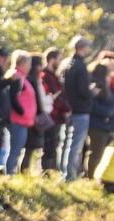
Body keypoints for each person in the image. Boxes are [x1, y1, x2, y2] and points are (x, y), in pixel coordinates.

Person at [60, 36, 96, 180]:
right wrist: (91, 91)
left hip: (69, 108)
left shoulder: (68, 63)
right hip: (80, 109)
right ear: (83, 47)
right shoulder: (80, 66)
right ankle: (69, 175)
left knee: (67, 143)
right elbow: (83, 90)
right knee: (75, 145)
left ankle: (65, 172)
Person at [4, 50, 35, 175]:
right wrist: (22, 112)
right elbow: (13, 98)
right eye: (28, 63)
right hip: (18, 120)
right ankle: (9, 174)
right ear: (21, 63)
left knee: (17, 150)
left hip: (24, 121)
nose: (30, 67)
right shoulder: (16, 77)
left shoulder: (22, 77)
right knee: (14, 151)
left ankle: (11, 173)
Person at [41, 47, 71, 172]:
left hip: (58, 117)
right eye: (59, 59)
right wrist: (67, 109)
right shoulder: (45, 76)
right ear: (52, 60)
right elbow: (54, 97)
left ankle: (50, 171)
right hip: (50, 116)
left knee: (54, 146)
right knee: (48, 146)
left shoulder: (55, 76)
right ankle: (46, 171)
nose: (60, 62)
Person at [21, 54, 48, 172]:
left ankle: (25, 170)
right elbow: (36, 100)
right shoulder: (31, 80)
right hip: (32, 118)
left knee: (30, 148)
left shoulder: (31, 79)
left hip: (32, 117)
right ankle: (24, 170)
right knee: (30, 148)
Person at [87, 62, 114, 179]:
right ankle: (91, 176)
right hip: (97, 125)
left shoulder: (106, 88)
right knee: (96, 153)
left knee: (98, 153)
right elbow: (92, 105)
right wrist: (107, 113)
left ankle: (92, 175)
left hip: (104, 125)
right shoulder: (96, 87)